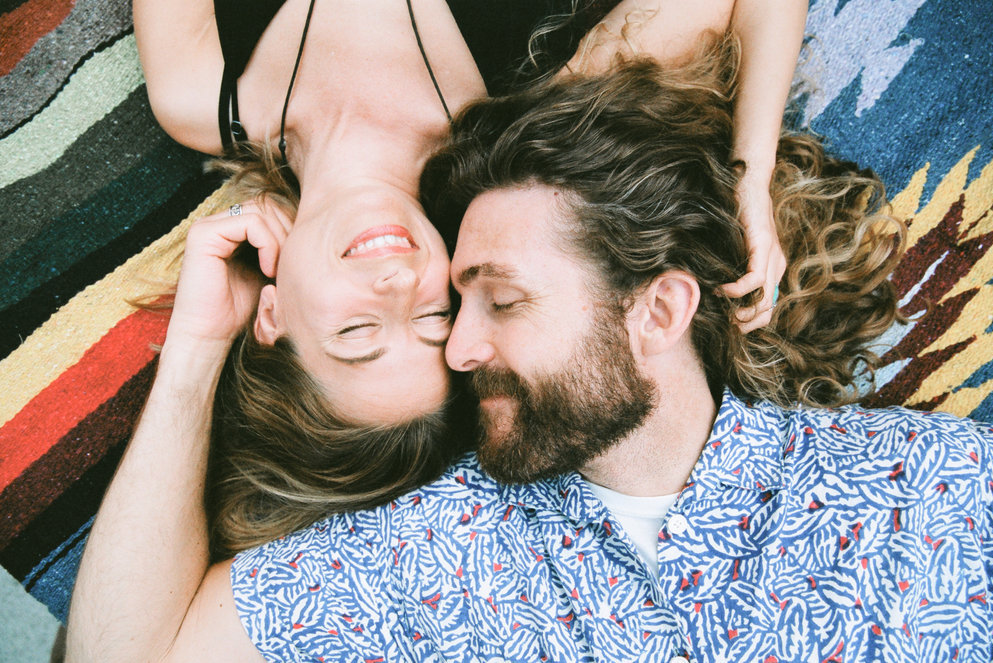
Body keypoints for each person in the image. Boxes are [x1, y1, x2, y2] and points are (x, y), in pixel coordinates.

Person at [68, 39, 993, 661]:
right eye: (456, 302)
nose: (461, 350)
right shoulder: (434, 553)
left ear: (659, 310)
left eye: (502, 300)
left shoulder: (931, 485)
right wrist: (195, 349)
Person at [134, 0, 808, 557]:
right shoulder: (528, 121)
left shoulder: (197, 92)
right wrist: (751, 177)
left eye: (358, 330)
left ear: (271, 317)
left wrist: (196, 343)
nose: (397, 285)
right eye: (433, 318)